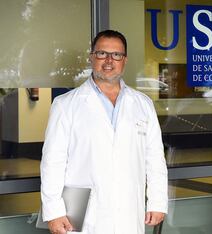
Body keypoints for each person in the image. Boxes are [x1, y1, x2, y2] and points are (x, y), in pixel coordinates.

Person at [40, 30, 168, 234]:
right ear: (91, 57)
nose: (109, 60)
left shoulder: (142, 104)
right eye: (102, 53)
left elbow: (154, 159)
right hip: (82, 212)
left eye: (116, 55)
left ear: (124, 60)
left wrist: (158, 201)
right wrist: (54, 211)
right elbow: (52, 161)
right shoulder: (65, 105)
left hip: (128, 210)